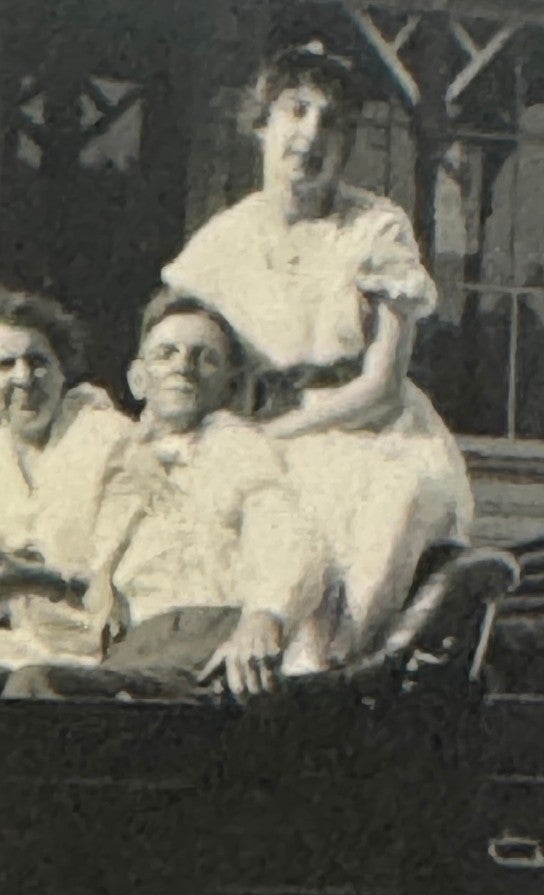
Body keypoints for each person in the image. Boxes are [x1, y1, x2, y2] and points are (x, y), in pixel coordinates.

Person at [160, 40, 473, 671]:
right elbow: (176, 356)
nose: (311, 135)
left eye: (332, 121)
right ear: (262, 125)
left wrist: (275, 435)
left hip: (374, 434)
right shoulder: (223, 242)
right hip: (261, 434)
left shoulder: (375, 228)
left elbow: (382, 388)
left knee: (391, 508)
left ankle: (327, 680)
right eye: (295, 111)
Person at [4, 293, 325, 701]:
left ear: (231, 384)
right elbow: (91, 580)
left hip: (206, 640)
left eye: (204, 357)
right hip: (132, 652)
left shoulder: (237, 448)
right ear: (138, 380)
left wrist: (265, 617)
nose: (183, 366)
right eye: (166, 353)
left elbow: (288, 531)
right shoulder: (120, 458)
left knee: (34, 690)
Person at [0, 289, 135, 670]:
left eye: (38, 361)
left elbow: (127, 582)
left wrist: (39, 579)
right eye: (5, 364)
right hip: (20, 647)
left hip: (103, 653)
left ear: (63, 370)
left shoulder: (109, 439)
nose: (24, 378)